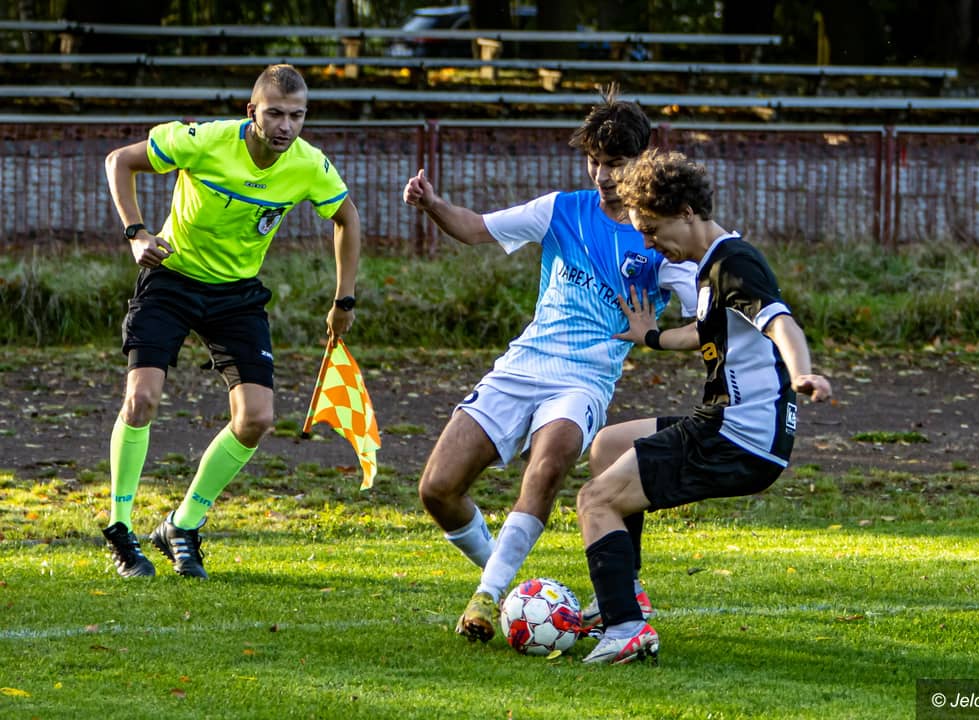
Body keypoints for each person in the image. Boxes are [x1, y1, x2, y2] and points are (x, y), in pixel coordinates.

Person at [401, 86, 699, 643]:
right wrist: (433, 204)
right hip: (523, 365)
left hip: (583, 382)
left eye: (616, 163)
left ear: (642, 161)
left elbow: (709, 315)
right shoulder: (562, 210)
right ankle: (514, 586)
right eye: (595, 161)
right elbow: (475, 228)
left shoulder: (658, 239)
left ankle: (487, 596)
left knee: (548, 464)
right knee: (437, 489)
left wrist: (655, 336)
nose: (603, 175)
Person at [100, 64, 362, 579]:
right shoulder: (206, 141)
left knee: (257, 418)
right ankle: (120, 527)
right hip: (172, 279)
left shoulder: (308, 164)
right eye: (275, 114)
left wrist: (344, 301)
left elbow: (347, 218)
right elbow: (119, 161)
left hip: (237, 296)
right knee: (142, 398)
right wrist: (137, 233)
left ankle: (183, 524)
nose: (286, 126)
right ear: (252, 112)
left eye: (297, 116)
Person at [575, 148, 832, 665]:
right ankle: (626, 594)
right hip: (730, 425)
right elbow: (706, 331)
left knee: (595, 500)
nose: (648, 243)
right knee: (608, 445)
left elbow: (781, 322)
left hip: (737, 436)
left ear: (686, 212)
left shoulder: (734, 263)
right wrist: (651, 336)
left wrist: (802, 371)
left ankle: (625, 627)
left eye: (652, 230)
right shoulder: (711, 265)